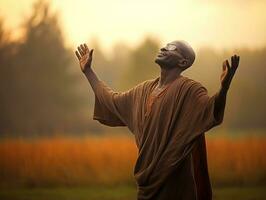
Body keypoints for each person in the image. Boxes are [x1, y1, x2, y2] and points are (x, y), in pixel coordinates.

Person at [75, 40, 240, 200]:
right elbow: (111, 100)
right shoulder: (143, 90)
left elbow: (210, 109)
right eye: (166, 45)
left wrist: (224, 89)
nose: (164, 48)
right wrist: (88, 71)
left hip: (175, 187)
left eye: (172, 48)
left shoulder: (189, 89)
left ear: (183, 62)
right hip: (146, 186)